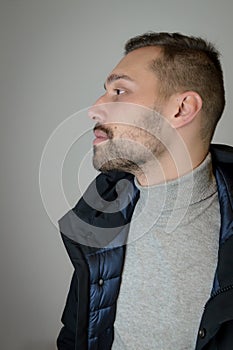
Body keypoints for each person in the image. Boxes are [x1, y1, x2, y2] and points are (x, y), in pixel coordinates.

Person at [57, 32, 233, 350]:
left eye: (120, 91)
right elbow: (75, 334)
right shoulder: (99, 215)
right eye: (105, 91)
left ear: (181, 109)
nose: (95, 109)